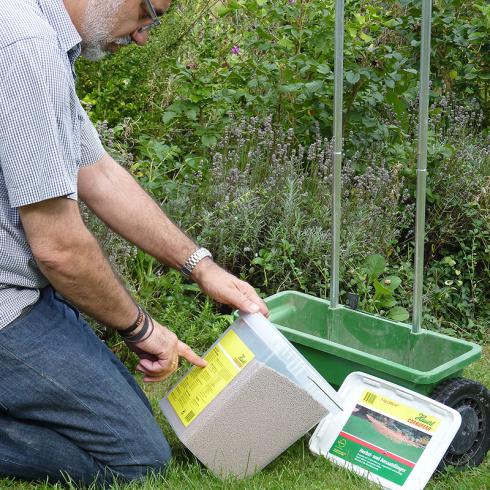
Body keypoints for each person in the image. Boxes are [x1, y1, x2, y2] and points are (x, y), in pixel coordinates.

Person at [0, 0, 268, 486]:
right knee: (137, 460)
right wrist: (142, 329)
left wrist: (201, 265)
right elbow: (58, 248)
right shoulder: (26, 46)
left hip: (23, 292)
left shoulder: (38, 37)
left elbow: (97, 173)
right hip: (5, 302)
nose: (145, 35)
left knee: (124, 424)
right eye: (150, 12)